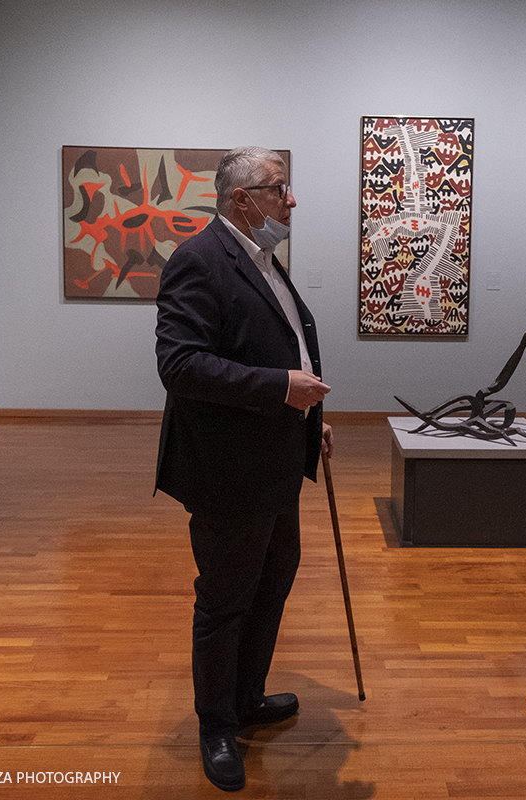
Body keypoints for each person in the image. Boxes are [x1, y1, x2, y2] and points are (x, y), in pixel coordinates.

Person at [154, 146, 332, 792]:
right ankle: (216, 724)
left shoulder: (260, 258)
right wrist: (281, 388)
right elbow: (178, 365)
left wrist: (310, 415)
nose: (291, 201)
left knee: (274, 576)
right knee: (227, 597)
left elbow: (280, 344)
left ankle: (248, 696)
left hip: (274, 462)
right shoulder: (198, 261)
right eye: (279, 190)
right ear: (241, 199)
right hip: (228, 471)